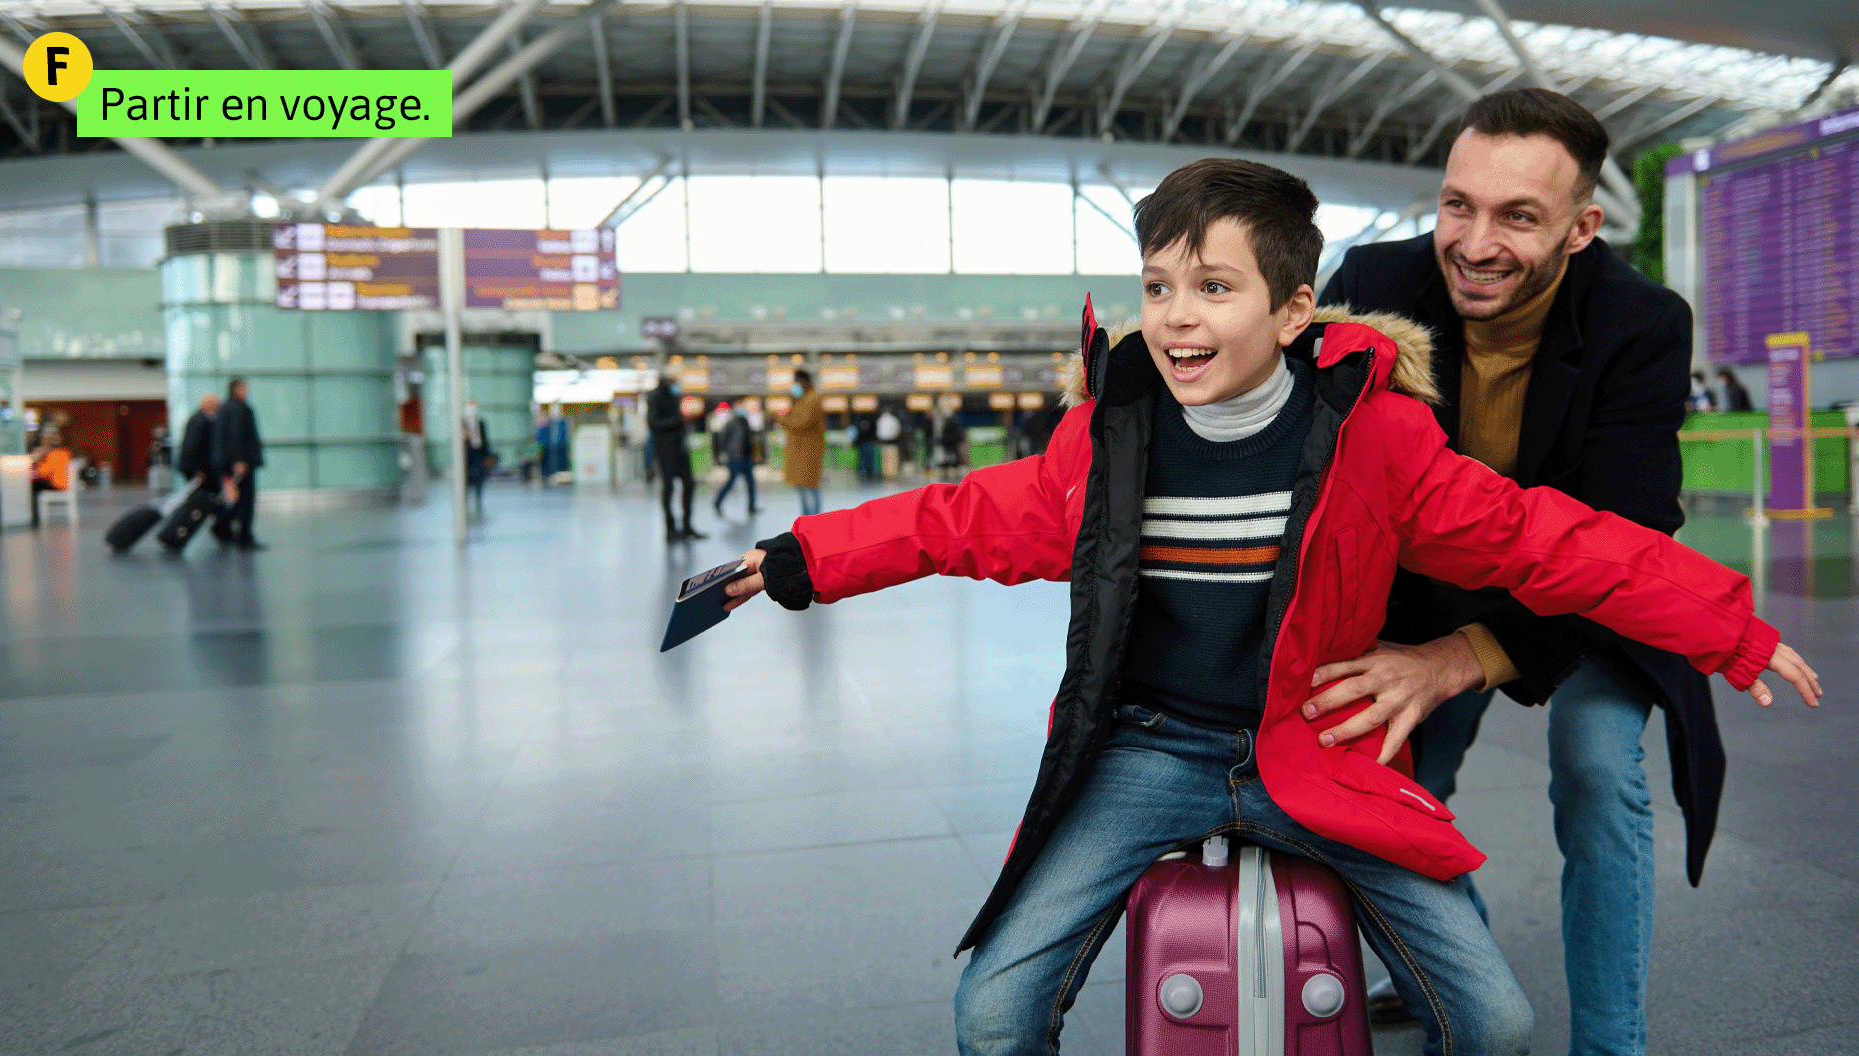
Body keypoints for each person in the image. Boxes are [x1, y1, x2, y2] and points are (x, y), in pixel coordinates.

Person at [719, 157, 1818, 1056]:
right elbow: (960, 517)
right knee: (996, 1014)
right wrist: (804, 555)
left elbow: (1543, 538)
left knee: (1496, 1022)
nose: (1176, 319)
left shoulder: (1377, 443)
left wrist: (1727, 628)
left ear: (1295, 310)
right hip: (1145, 750)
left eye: (1213, 287)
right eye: (1157, 288)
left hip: (1313, 745)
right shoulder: (1106, 445)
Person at [1313, 88, 1728, 1053]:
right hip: (1425, 590)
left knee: (1596, 772)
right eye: (1459, 204)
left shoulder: (1641, 323)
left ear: (1583, 227)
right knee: (1386, 765)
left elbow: (1624, 533)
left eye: (1519, 216)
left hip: (1590, 592)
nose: (1474, 241)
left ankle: (1609, 1042)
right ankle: (1459, 977)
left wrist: (1464, 658)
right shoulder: (1374, 281)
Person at [646, 375, 702, 541]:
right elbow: (653, 423)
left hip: (679, 448)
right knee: (668, 487)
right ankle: (670, 528)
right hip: (665, 449)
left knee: (689, 484)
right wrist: (679, 421)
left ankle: (687, 526)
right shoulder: (655, 398)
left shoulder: (674, 397)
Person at [214, 377, 265, 549]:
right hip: (240, 463)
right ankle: (242, 535)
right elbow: (236, 436)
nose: (247, 391)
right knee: (244, 500)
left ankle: (225, 527)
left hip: (231, 462)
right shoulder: (238, 409)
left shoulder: (226, 408)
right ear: (236, 389)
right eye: (245, 388)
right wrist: (239, 460)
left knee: (235, 498)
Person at [778, 369, 824, 515]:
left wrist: (779, 418)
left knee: (810, 488)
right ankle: (806, 520)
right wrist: (793, 402)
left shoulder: (813, 399)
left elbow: (800, 423)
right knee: (803, 489)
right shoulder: (802, 399)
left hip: (808, 452)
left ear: (803, 381)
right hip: (799, 452)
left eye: (796, 381)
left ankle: (814, 521)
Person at [713, 400, 759, 517]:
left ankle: (752, 506)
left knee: (751, 483)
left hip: (746, 457)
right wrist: (722, 453)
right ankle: (717, 502)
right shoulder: (732, 423)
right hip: (735, 458)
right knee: (731, 482)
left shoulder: (746, 422)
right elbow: (722, 439)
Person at [177, 394, 222, 495]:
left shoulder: (202, 420)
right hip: (199, 470)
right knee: (202, 497)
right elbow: (192, 446)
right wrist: (197, 470)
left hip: (202, 469)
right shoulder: (199, 422)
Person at [27, 431, 71, 524]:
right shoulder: (64, 452)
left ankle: (34, 518)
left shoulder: (53, 455)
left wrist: (37, 458)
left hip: (55, 485)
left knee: (33, 486)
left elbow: (43, 473)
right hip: (62, 484)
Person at [463, 399, 492, 517]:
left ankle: (478, 496)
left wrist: (487, 454)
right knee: (467, 476)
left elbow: (485, 439)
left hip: (478, 452)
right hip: (467, 453)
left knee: (480, 475)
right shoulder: (462, 422)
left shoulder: (481, 422)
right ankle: (465, 497)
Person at [854, 409, 881, 481]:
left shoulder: (859, 420)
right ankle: (873, 473)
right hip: (870, 442)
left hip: (862, 443)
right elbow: (875, 431)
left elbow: (858, 432)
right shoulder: (872, 419)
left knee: (863, 458)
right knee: (871, 458)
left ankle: (863, 473)